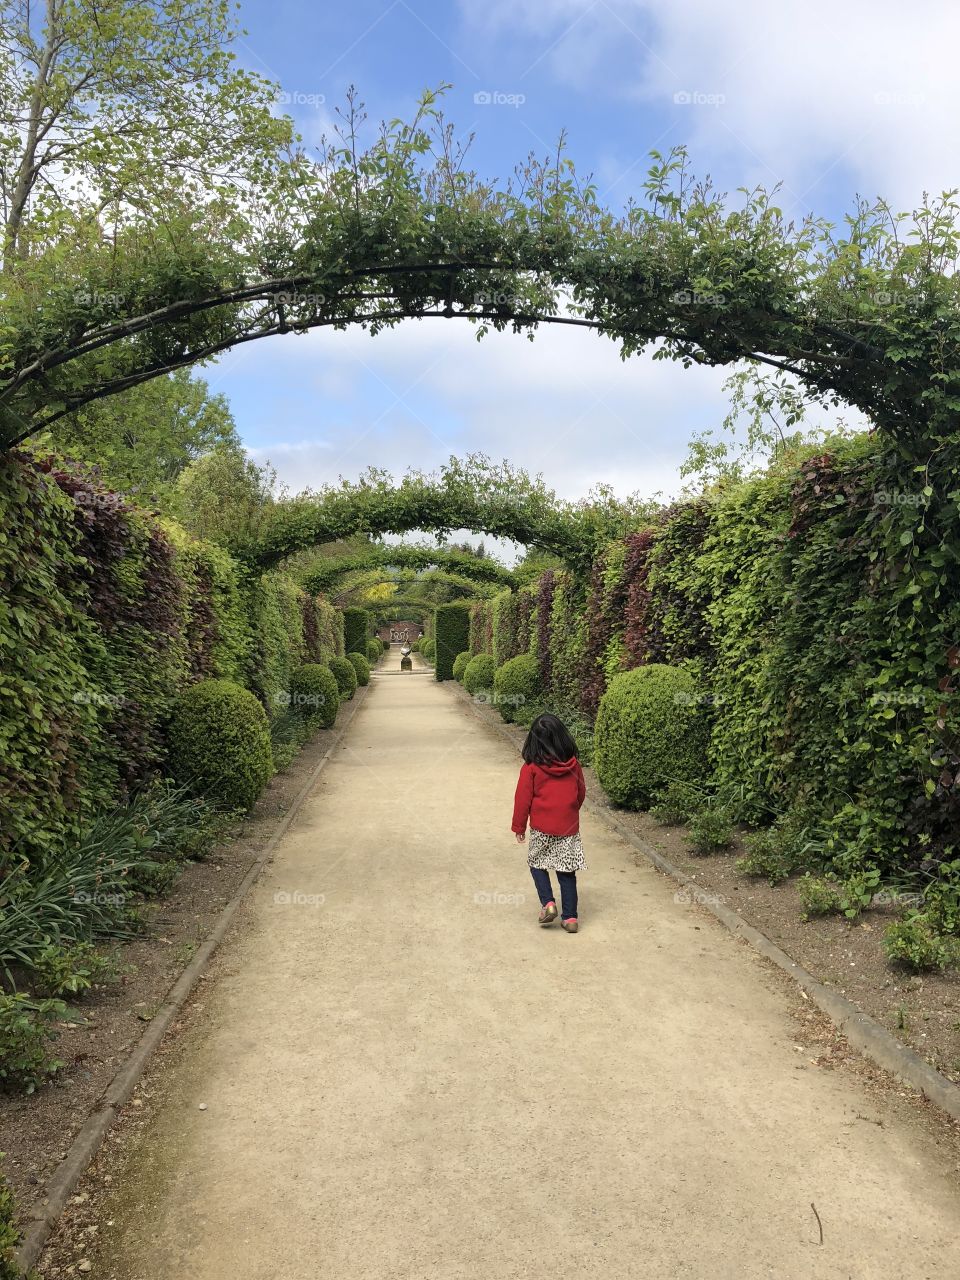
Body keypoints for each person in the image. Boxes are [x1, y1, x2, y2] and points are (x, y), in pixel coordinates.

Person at [511, 713, 586, 934]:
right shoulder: (574, 765)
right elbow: (580, 792)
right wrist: (571, 812)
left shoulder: (531, 768)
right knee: (567, 871)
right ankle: (570, 918)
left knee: (537, 862)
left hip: (542, 826)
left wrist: (519, 827)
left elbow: (522, 799)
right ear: (563, 737)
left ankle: (548, 903)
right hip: (568, 827)